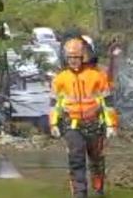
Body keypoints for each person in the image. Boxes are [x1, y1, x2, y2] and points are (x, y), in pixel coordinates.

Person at [50, 37, 118, 198]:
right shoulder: (60, 78)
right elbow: (55, 103)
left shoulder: (97, 76)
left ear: (84, 57)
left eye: (76, 57)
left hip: (94, 125)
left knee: (96, 161)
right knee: (76, 160)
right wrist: (53, 123)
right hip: (72, 126)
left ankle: (98, 191)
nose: (73, 61)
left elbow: (107, 103)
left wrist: (111, 125)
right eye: (70, 57)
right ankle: (80, 194)